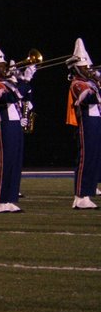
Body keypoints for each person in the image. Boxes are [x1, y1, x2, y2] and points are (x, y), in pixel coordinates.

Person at [0, 42, 35, 213]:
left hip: (16, 123)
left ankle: (10, 199)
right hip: (5, 124)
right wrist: (25, 80)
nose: (4, 67)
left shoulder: (9, 82)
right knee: (6, 162)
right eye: (0, 65)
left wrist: (22, 79)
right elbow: (9, 98)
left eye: (4, 64)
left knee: (16, 162)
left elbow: (25, 94)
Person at [66, 38, 99, 210]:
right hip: (86, 123)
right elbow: (89, 98)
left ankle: (89, 190)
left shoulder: (92, 83)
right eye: (85, 67)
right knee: (85, 158)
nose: (88, 70)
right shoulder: (77, 84)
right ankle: (79, 196)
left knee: (94, 157)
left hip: (96, 121)